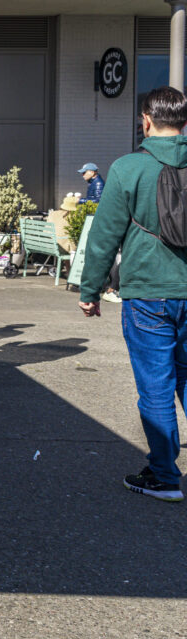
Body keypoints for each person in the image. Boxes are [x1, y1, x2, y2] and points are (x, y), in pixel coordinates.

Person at [78, 86, 187, 502]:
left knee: (156, 386)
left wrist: (90, 290)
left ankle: (163, 476)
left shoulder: (127, 168)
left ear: (145, 120)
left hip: (148, 293)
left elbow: (104, 237)